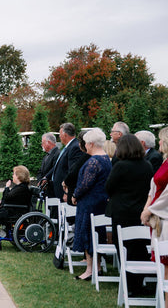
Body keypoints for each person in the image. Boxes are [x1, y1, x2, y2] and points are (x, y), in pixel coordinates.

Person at [105, 134, 153, 294]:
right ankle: (138, 284)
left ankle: (129, 284)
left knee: (123, 248)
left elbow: (109, 187)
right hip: (139, 211)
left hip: (121, 212)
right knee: (138, 248)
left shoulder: (121, 166)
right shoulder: (147, 166)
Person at [71, 128, 112, 281]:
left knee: (88, 235)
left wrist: (75, 195)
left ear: (92, 144)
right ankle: (98, 267)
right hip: (100, 202)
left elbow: (85, 184)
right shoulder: (106, 158)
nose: (85, 146)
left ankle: (90, 269)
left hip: (89, 203)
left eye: (87, 143)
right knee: (97, 235)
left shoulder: (94, 161)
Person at [141, 126, 168, 302]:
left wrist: (151, 209)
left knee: (167, 263)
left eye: (160, 139)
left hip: (165, 215)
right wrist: (146, 207)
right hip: (157, 216)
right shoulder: (165, 161)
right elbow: (154, 185)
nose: (158, 142)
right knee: (163, 263)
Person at [43, 123, 84, 203]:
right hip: (59, 190)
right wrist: (46, 177)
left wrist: (67, 191)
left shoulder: (74, 147)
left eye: (60, 134)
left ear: (65, 135)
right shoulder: (67, 147)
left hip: (65, 191)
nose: (59, 137)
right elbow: (58, 165)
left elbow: (72, 171)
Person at [62, 130, 90, 205]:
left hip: (79, 197)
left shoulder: (85, 157)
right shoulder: (84, 157)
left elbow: (74, 173)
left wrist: (66, 183)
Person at [37, 133, 60, 197]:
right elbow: (40, 171)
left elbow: (55, 168)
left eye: (43, 143)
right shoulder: (46, 156)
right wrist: (40, 181)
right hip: (45, 190)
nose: (41, 145)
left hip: (53, 189)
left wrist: (46, 179)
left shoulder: (57, 154)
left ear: (49, 142)